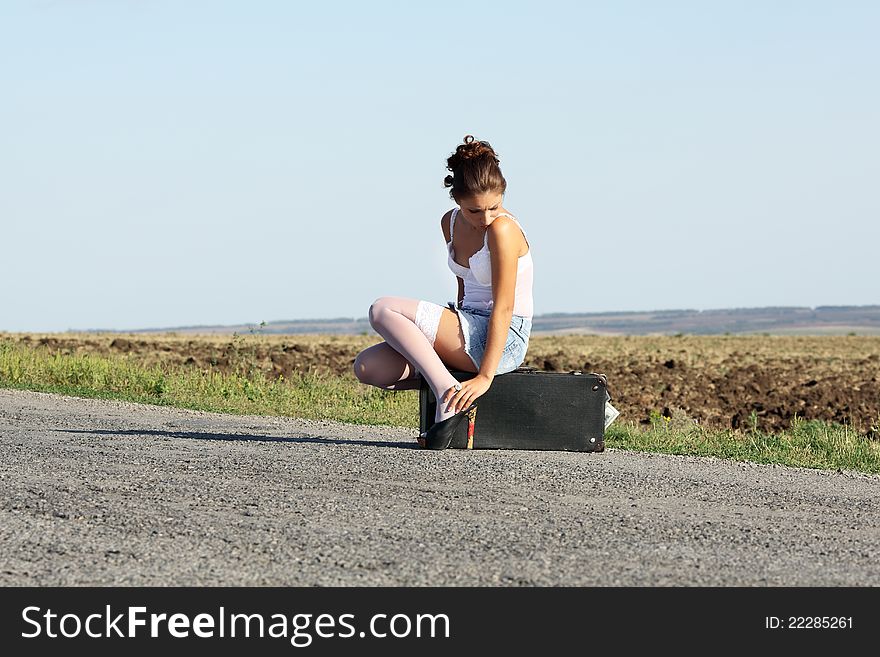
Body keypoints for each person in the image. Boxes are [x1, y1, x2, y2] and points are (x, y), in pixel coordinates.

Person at [353, 135, 534, 449]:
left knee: (382, 309)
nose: (486, 218)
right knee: (368, 368)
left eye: (495, 206)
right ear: (457, 201)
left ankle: (446, 394)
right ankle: (449, 388)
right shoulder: (449, 223)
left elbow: (503, 308)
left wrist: (485, 376)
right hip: (466, 324)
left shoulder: (503, 230)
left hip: (503, 337)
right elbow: (464, 285)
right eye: (475, 211)